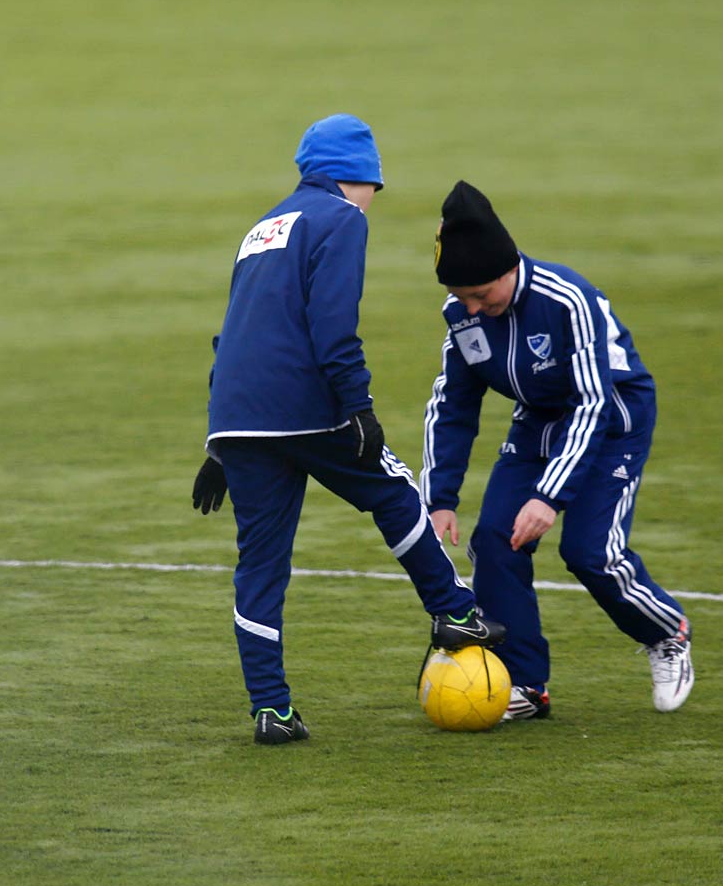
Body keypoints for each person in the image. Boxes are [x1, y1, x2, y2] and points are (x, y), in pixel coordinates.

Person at [192, 117, 505, 746]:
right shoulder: (340, 220)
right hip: (305, 405)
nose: (373, 199)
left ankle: (271, 711)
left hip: (239, 414)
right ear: (357, 174)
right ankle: (456, 612)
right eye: (373, 186)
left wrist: (219, 442)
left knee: (260, 563)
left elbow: (235, 330)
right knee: (392, 491)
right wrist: (357, 406)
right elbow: (332, 322)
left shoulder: (260, 229)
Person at [420, 180, 692, 720]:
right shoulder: (463, 314)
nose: (474, 307)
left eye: (482, 294)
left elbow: (594, 402)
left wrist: (549, 496)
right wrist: (439, 497)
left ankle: (667, 633)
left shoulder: (569, 300)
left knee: (591, 554)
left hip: (612, 419)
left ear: (508, 267)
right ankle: (524, 684)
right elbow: (452, 405)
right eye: (461, 297)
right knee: (496, 541)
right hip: (538, 423)